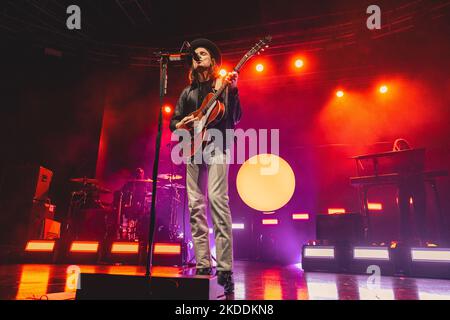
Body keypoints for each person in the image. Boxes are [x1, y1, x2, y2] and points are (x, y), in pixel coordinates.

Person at [170, 38, 241, 295]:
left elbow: (235, 118)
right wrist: (180, 124)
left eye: (203, 53)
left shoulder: (221, 86)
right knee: (195, 206)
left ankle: (224, 270)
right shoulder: (187, 93)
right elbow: (174, 121)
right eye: (195, 54)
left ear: (212, 60)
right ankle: (202, 264)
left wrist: (233, 92)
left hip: (219, 146)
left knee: (219, 202)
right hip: (192, 150)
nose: (198, 56)